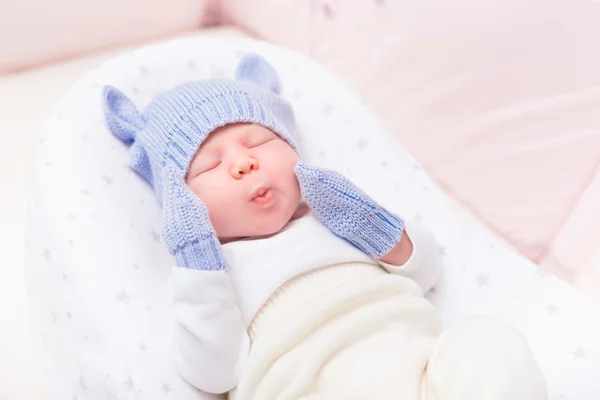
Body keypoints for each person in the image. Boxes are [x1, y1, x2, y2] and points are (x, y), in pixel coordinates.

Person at [102, 53, 547, 399]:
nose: (243, 161)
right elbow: (212, 370)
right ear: (181, 205)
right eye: (211, 165)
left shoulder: (333, 215)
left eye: (258, 140)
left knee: (490, 343)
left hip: (422, 372)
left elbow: (425, 269)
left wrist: (371, 225)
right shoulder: (213, 273)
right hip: (307, 389)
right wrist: (197, 262)